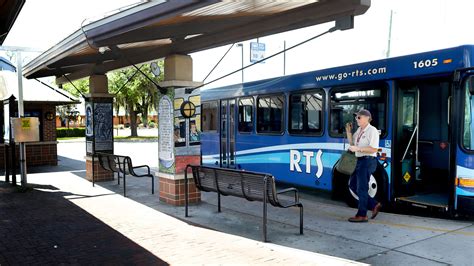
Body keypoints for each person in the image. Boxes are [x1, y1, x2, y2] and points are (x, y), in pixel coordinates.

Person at [345, 109, 382, 222]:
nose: (357, 119)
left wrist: (359, 149)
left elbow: (374, 149)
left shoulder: (372, 131)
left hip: (367, 160)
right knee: (353, 185)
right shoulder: (359, 130)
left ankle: (362, 215)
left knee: (361, 188)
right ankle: (374, 204)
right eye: (356, 117)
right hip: (360, 160)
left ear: (367, 118)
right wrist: (348, 132)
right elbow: (352, 144)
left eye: (359, 117)